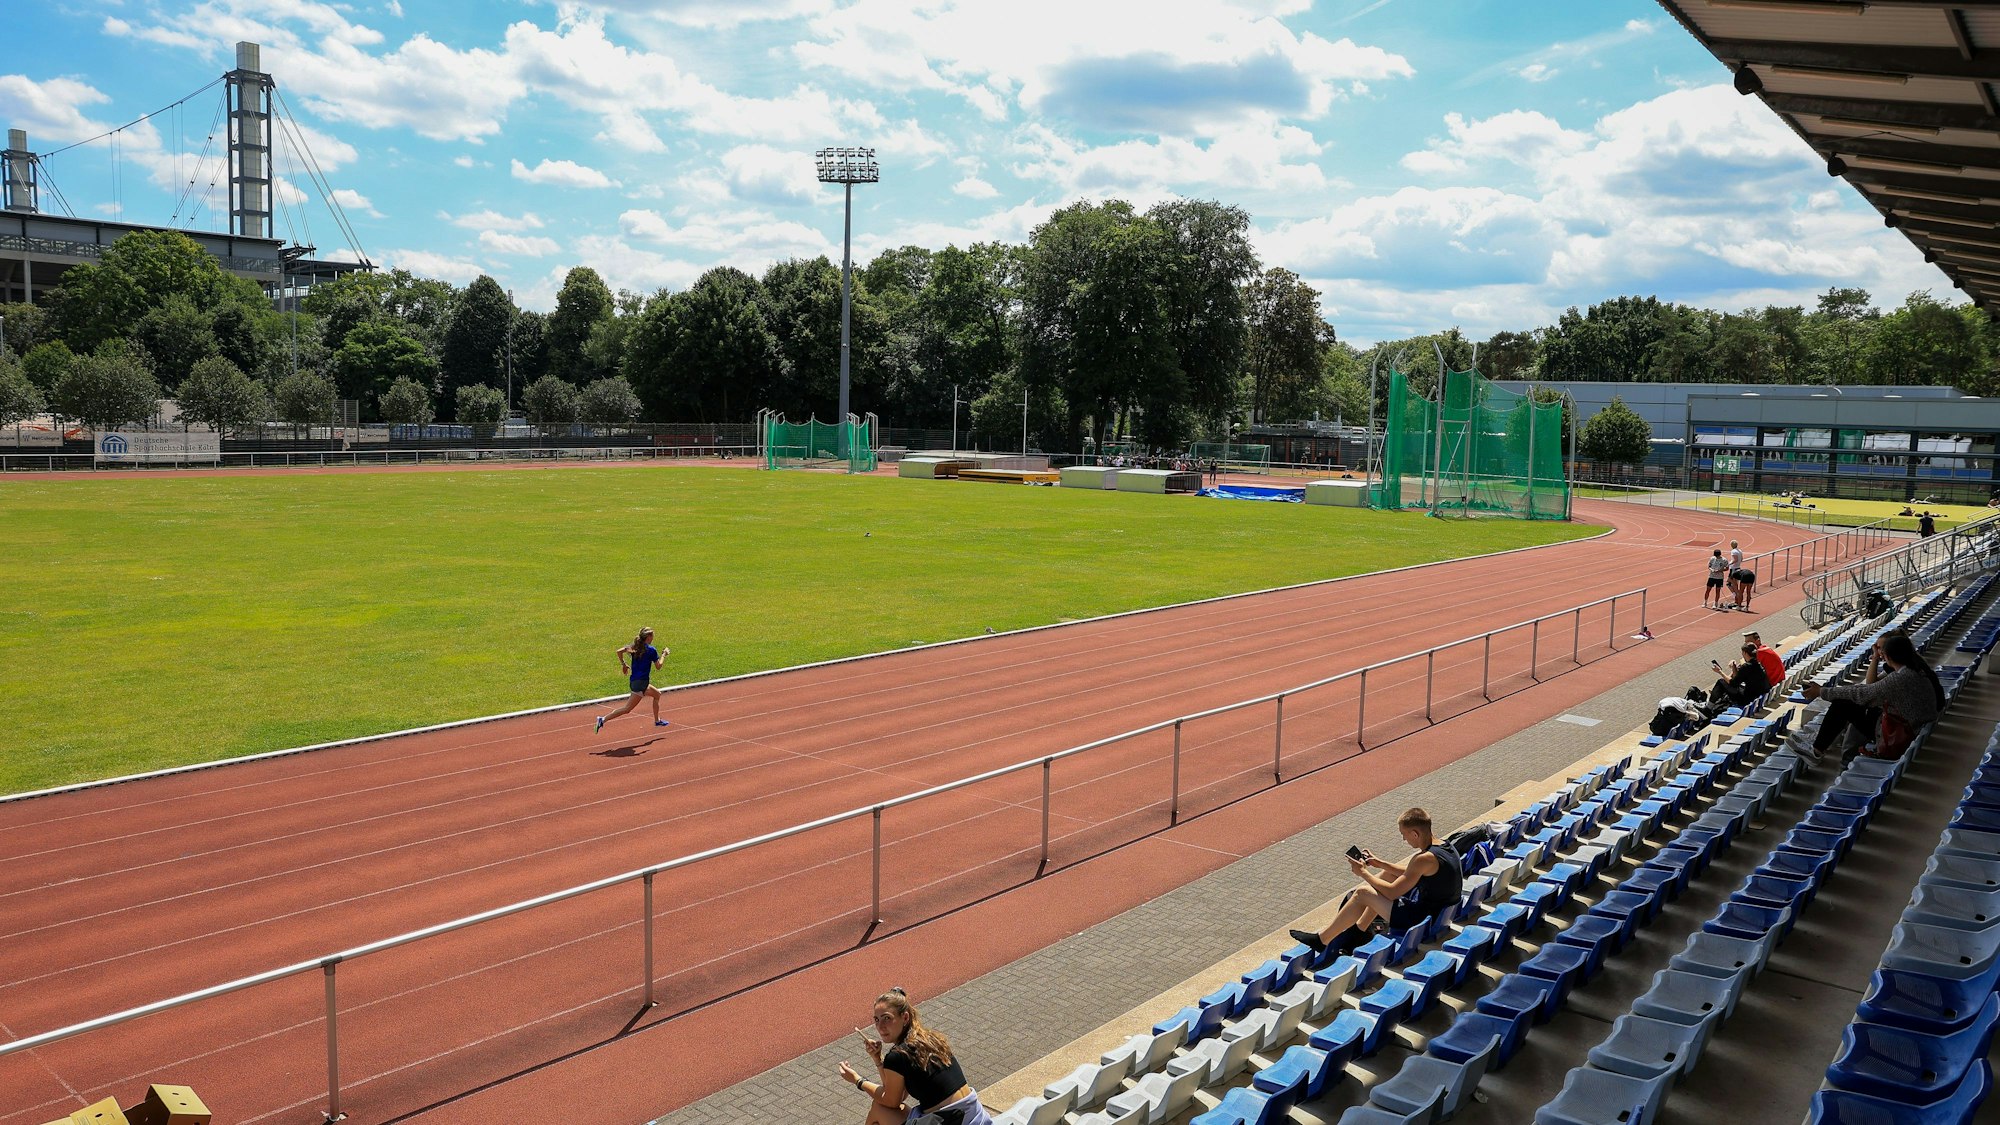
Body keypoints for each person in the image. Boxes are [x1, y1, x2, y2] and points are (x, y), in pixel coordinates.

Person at [1288, 807, 1462, 955]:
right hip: (1439, 913)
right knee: (1387, 876)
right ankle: (1359, 931)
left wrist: (1363, 873)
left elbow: (1393, 892)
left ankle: (1322, 940)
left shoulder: (1423, 858)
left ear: (1415, 834)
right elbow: (1413, 873)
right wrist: (1381, 864)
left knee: (1363, 893)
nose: (1404, 839)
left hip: (1422, 920)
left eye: (1404, 835)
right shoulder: (1443, 846)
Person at [838, 987, 993, 1125]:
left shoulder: (897, 1055)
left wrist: (858, 1081)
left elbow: (890, 1101)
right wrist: (878, 1060)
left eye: (887, 1018)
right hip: (974, 1117)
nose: (880, 1026)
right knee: (888, 1107)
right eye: (877, 1020)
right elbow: (896, 1096)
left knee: (879, 1109)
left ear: (905, 1018)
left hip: (951, 1120)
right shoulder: (931, 1039)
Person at [1791, 631, 1943, 766]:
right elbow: (1869, 688)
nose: (1879, 653)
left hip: (1897, 736)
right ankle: (1820, 743)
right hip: (1909, 729)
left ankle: (1816, 751)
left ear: (1889, 656)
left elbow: (1864, 694)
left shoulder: (1901, 678)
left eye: (1881, 650)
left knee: (1843, 705)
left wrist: (1822, 692)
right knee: (1851, 702)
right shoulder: (1913, 669)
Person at [595, 627, 672, 732]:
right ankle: (602, 719)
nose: (653, 638)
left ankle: (657, 720)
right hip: (640, 684)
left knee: (657, 694)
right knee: (627, 709)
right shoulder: (651, 650)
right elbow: (658, 666)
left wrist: (624, 664)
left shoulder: (634, 647)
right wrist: (664, 654)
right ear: (648, 637)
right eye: (652, 636)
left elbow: (619, 652)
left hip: (638, 682)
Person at [1707, 641, 1772, 709]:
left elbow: (1733, 683)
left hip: (1746, 699)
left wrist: (1719, 671)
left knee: (1721, 682)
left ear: (1745, 653)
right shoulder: (1758, 664)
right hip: (1756, 695)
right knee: (1733, 685)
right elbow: (1738, 680)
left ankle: (1708, 708)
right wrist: (1734, 668)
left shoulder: (1746, 666)